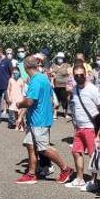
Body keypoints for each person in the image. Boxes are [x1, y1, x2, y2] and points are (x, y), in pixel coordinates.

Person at [15, 56, 73, 185]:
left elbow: (29, 101)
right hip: (36, 119)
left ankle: (65, 169)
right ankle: (31, 174)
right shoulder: (43, 78)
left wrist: (19, 105)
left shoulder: (36, 80)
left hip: (39, 120)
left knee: (43, 149)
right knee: (30, 146)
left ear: (25, 68)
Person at [65, 64, 100, 189]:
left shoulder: (93, 89)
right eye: (76, 75)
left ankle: (93, 181)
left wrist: (99, 129)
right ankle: (80, 178)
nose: (79, 77)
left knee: (92, 155)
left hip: (90, 127)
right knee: (76, 152)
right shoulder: (74, 89)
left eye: (81, 75)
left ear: (86, 74)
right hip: (78, 127)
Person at [0, 46, 13, 125]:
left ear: (0, 51)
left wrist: (11, 84)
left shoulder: (7, 61)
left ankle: (11, 120)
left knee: (9, 101)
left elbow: (11, 72)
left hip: (6, 85)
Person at [51, 52, 71, 118]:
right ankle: (55, 114)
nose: (60, 59)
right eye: (59, 58)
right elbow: (51, 73)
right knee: (56, 100)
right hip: (56, 85)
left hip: (64, 85)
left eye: (61, 58)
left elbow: (69, 74)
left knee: (64, 99)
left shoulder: (67, 65)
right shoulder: (53, 65)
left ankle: (66, 113)